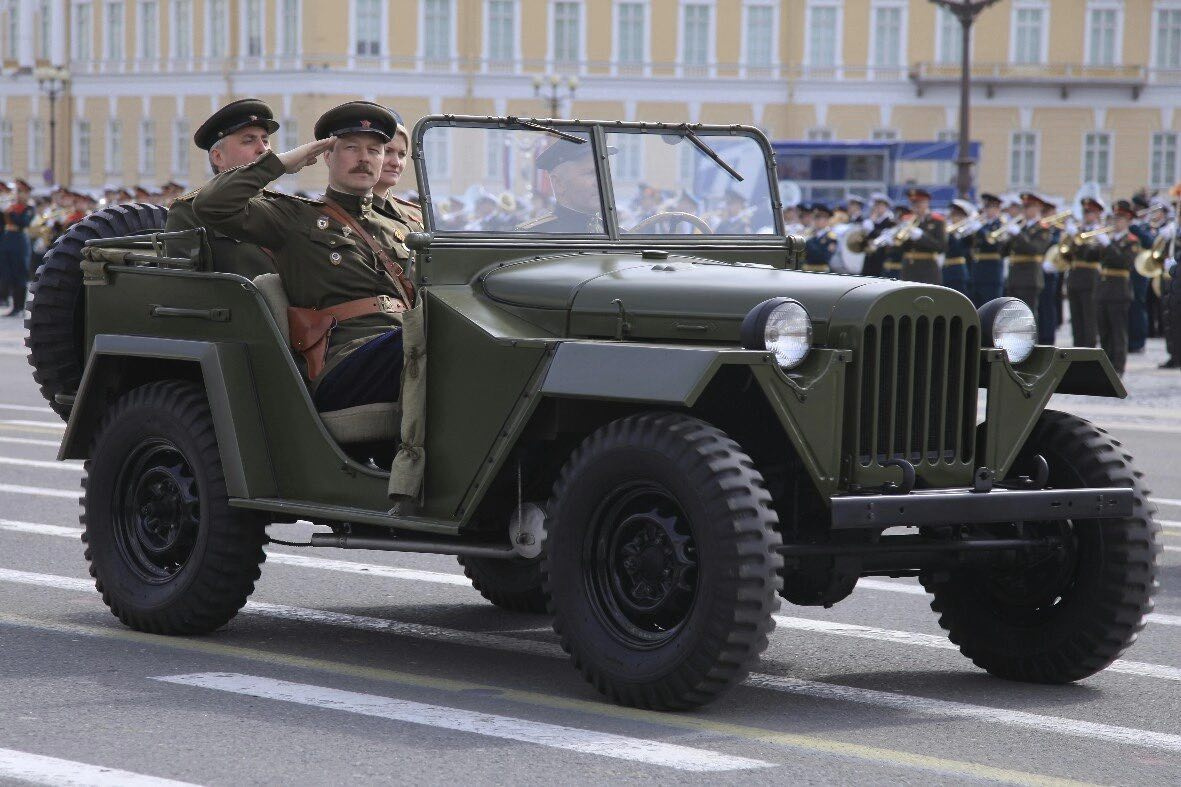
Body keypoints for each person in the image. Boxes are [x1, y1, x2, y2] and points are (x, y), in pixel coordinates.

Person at [194, 101, 417, 412]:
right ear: (326, 155)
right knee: (427, 340)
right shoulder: (295, 218)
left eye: (375, 150)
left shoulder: (400, 227)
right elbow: (211, 205)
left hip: (402, 345)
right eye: (351, 148)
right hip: (345, 361)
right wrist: (281, 164)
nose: (364, 159)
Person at [165, 98, 281, 277]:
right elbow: (186, 291)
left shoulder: (280, 205)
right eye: (249, 140)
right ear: (218, 157)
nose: (263, 149)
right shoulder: (188, 212)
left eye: (265, 140)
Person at [518, 137, 606, 233]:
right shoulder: (534, 237)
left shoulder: (620, 236)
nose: (600, 182)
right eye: (590, 173)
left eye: (602, 173)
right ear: (559, 183)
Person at [1095, 200, 1140, 376]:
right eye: (1114, 218)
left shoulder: (1132, 241)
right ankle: (1106, 366)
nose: (1115, 222)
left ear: (1128, 220)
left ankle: (1118, 367)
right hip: (1103, 290)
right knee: (1104, 332)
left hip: (1120, 291)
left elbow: (1125, 262)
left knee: (1118, 332)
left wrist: (1108, 245)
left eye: (1119, 219)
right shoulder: (1109, 239)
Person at [1004, 192, 1055, 317]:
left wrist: (1018, 235)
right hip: (1014, 277)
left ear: (1037, 208)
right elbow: (1003, 252)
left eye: (1028, 207)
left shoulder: (1043, 228)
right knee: (1013, 317)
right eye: (1024, 208)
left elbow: (1035, 249)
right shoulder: (1021, 226)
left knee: (1028, 315)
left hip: (1030, 277)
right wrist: (1007, 237)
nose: (1025, 211)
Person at [371, 114, 423, 232]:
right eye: (387, 151)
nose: (396, 163)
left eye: (402, 154)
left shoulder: (415, 218)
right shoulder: (343, 212)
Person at [1067, 197, 1106, 348]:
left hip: (1090, 278)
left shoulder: (1100, 234)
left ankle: (1089, 349)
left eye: (1090, 212)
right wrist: (1071, 237)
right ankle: (1077, 349)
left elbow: (1093, 255)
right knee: (1076, 318)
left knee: (1089, 317)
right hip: (1074, 277)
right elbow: (1067, 254)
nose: (1086, 215)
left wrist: (1081, 240)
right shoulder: (1079, 230)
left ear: (1097, 214)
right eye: (1085, 212)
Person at [897, 188, 946, 285]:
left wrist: (921, 237)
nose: (915, 207)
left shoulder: (937, 221)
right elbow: (900, 249)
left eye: (918, 203)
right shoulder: (907, 220)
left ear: (926, 203)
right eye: (913, 204)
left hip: (927, 269)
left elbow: (941, 247)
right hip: (908, 269)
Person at [0, 179, 34, 316]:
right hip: (7, 241)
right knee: (9, 275)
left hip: (20, 242)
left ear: (26, 194)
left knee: (20, 275)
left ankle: (20, 308)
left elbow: (23, 222)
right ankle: (14, 307)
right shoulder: (10, 207)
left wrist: (10, 212)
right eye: (16, 192)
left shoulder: (28, 208)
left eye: (20, 192)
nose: (17, 195)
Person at [942, 198, 976, 298]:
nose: (955, 218)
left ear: (964, 217)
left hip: (959, 271)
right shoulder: (948, 232)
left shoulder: (967, 233)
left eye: (958, 215)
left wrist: (959, 234)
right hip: (946, 270)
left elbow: (962, 249)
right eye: (953, 215)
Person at [861, 192, 894, 278]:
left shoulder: (889, 221)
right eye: (876, 205)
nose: (877, 208)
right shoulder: (872, 221)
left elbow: (885, 238)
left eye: (880, 205)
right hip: (870, 259)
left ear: (886, 207)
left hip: (882, 258)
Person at [802, 204, 837, 272]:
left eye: (818, 218)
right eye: (815, 217)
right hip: (806, 269)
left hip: (822, 270)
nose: (815, 220)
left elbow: (824, 257)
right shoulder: (808, 233)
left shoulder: (831, 236)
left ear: (826, 219)